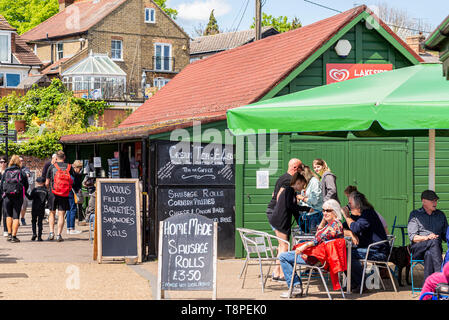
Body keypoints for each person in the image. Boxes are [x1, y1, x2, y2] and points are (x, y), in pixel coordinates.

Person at [278, 199, 344, 298]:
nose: (325, 213)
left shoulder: (335, 226)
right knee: (289, 255)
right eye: (323, 210)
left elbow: (317, 240)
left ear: (335, 211)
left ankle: (295, 287)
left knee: (283, 257)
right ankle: (295, 286)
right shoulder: (333, 224)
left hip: (318, 259)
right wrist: (323, 220)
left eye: (328, 210)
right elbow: (318, 235)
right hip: (320, 257)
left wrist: (304, 246)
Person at [342, 191, 389, 293]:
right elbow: (341, 227)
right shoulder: (359, 215)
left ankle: (360, 283)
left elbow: (356, 228)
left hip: (378, 251)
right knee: (342, 253)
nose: (348, 205)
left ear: (358, 204)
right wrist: (350, 233)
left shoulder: (368, 214)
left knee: (348, 254)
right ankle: (353, 282)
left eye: (350, 203)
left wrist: (347, 216)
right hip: (368, 248)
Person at [269, 173, 309, 281]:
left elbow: (294, 211)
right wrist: (307, 209)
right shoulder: (290, 190)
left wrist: (303, 227)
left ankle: (277, 273)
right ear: (298, 183)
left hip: (279, 221)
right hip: (280, 221)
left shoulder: (291, 192)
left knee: (282, 246)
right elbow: (291, 206)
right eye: (302, 186)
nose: (302, 189)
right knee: (285, 246)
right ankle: (283, 274)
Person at [408, 190, 448, 280]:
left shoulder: (440, 215)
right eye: (432, 200)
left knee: (429, 254)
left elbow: (446, 235)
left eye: (436, 200)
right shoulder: (415, 214)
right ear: (423, 201)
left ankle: (428, 288)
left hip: (435, 250)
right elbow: (413, 237)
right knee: (433, 241)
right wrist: (427, 237)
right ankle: (441, 276)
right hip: (418, 249)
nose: (435, 203)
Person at [45, 150, 74, 242]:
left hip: (53, 193)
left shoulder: (52, 167)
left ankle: (51, 233)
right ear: (64, 157)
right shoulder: (69, 167)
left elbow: (47, 182)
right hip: (64, 193)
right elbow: (72, 180)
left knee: (52, 213)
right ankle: (59, 235)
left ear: (56, 158)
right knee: (61, 214)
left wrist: (49, 189)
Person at [0, 155, 29, 243]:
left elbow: (2, 185)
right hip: (17, 196)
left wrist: (5, 193)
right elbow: (26, 185)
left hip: (7, 196)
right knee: (16, 216)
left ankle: (9, 234)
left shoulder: (6, 171)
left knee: (8, 215)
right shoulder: (21, 172)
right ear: (18, 162)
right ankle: (14, 236)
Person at [297, 165, 323, 233]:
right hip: (307, 215)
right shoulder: (307, 183)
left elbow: (314, 201)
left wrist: (302, 198)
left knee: (313, 239)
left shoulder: (314, 182)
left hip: (315, 215)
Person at [26, 176, 48, 241]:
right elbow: (48, 199)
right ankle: (39, 236)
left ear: (37, 182)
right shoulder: (46, 190)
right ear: (44, 182)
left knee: (33, 221)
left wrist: (25, 193)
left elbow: (30, 198)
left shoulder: (35, 190)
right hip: (41, 208)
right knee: (40, 222)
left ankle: (34, 234)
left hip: (34, 207)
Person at [66, 160, 84, 235]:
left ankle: (68, 228)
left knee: (68, 210)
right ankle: (72, 228)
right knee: (73, 209)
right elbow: (73, 183)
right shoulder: (73, 173)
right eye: (80, 169)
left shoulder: (68, 170)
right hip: (71, 192)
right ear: (77, 167)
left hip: (67, 191)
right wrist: (78, 189)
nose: (80, 170)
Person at [19, 156, 31, 226]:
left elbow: (28, 174)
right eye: (20, 160)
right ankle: (16, 219)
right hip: (16, 190)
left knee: (24, 206)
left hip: (24, 190)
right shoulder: (14, 168)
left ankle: (22, 218)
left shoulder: (25, 168)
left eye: (22, 160)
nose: (21, 162)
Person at [0, 156, 8, 237]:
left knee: (5, 212)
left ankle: (6, 230)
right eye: (0, 162)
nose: (2, 163)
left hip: (6, 194)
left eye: (3, 162)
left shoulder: (8, 172)